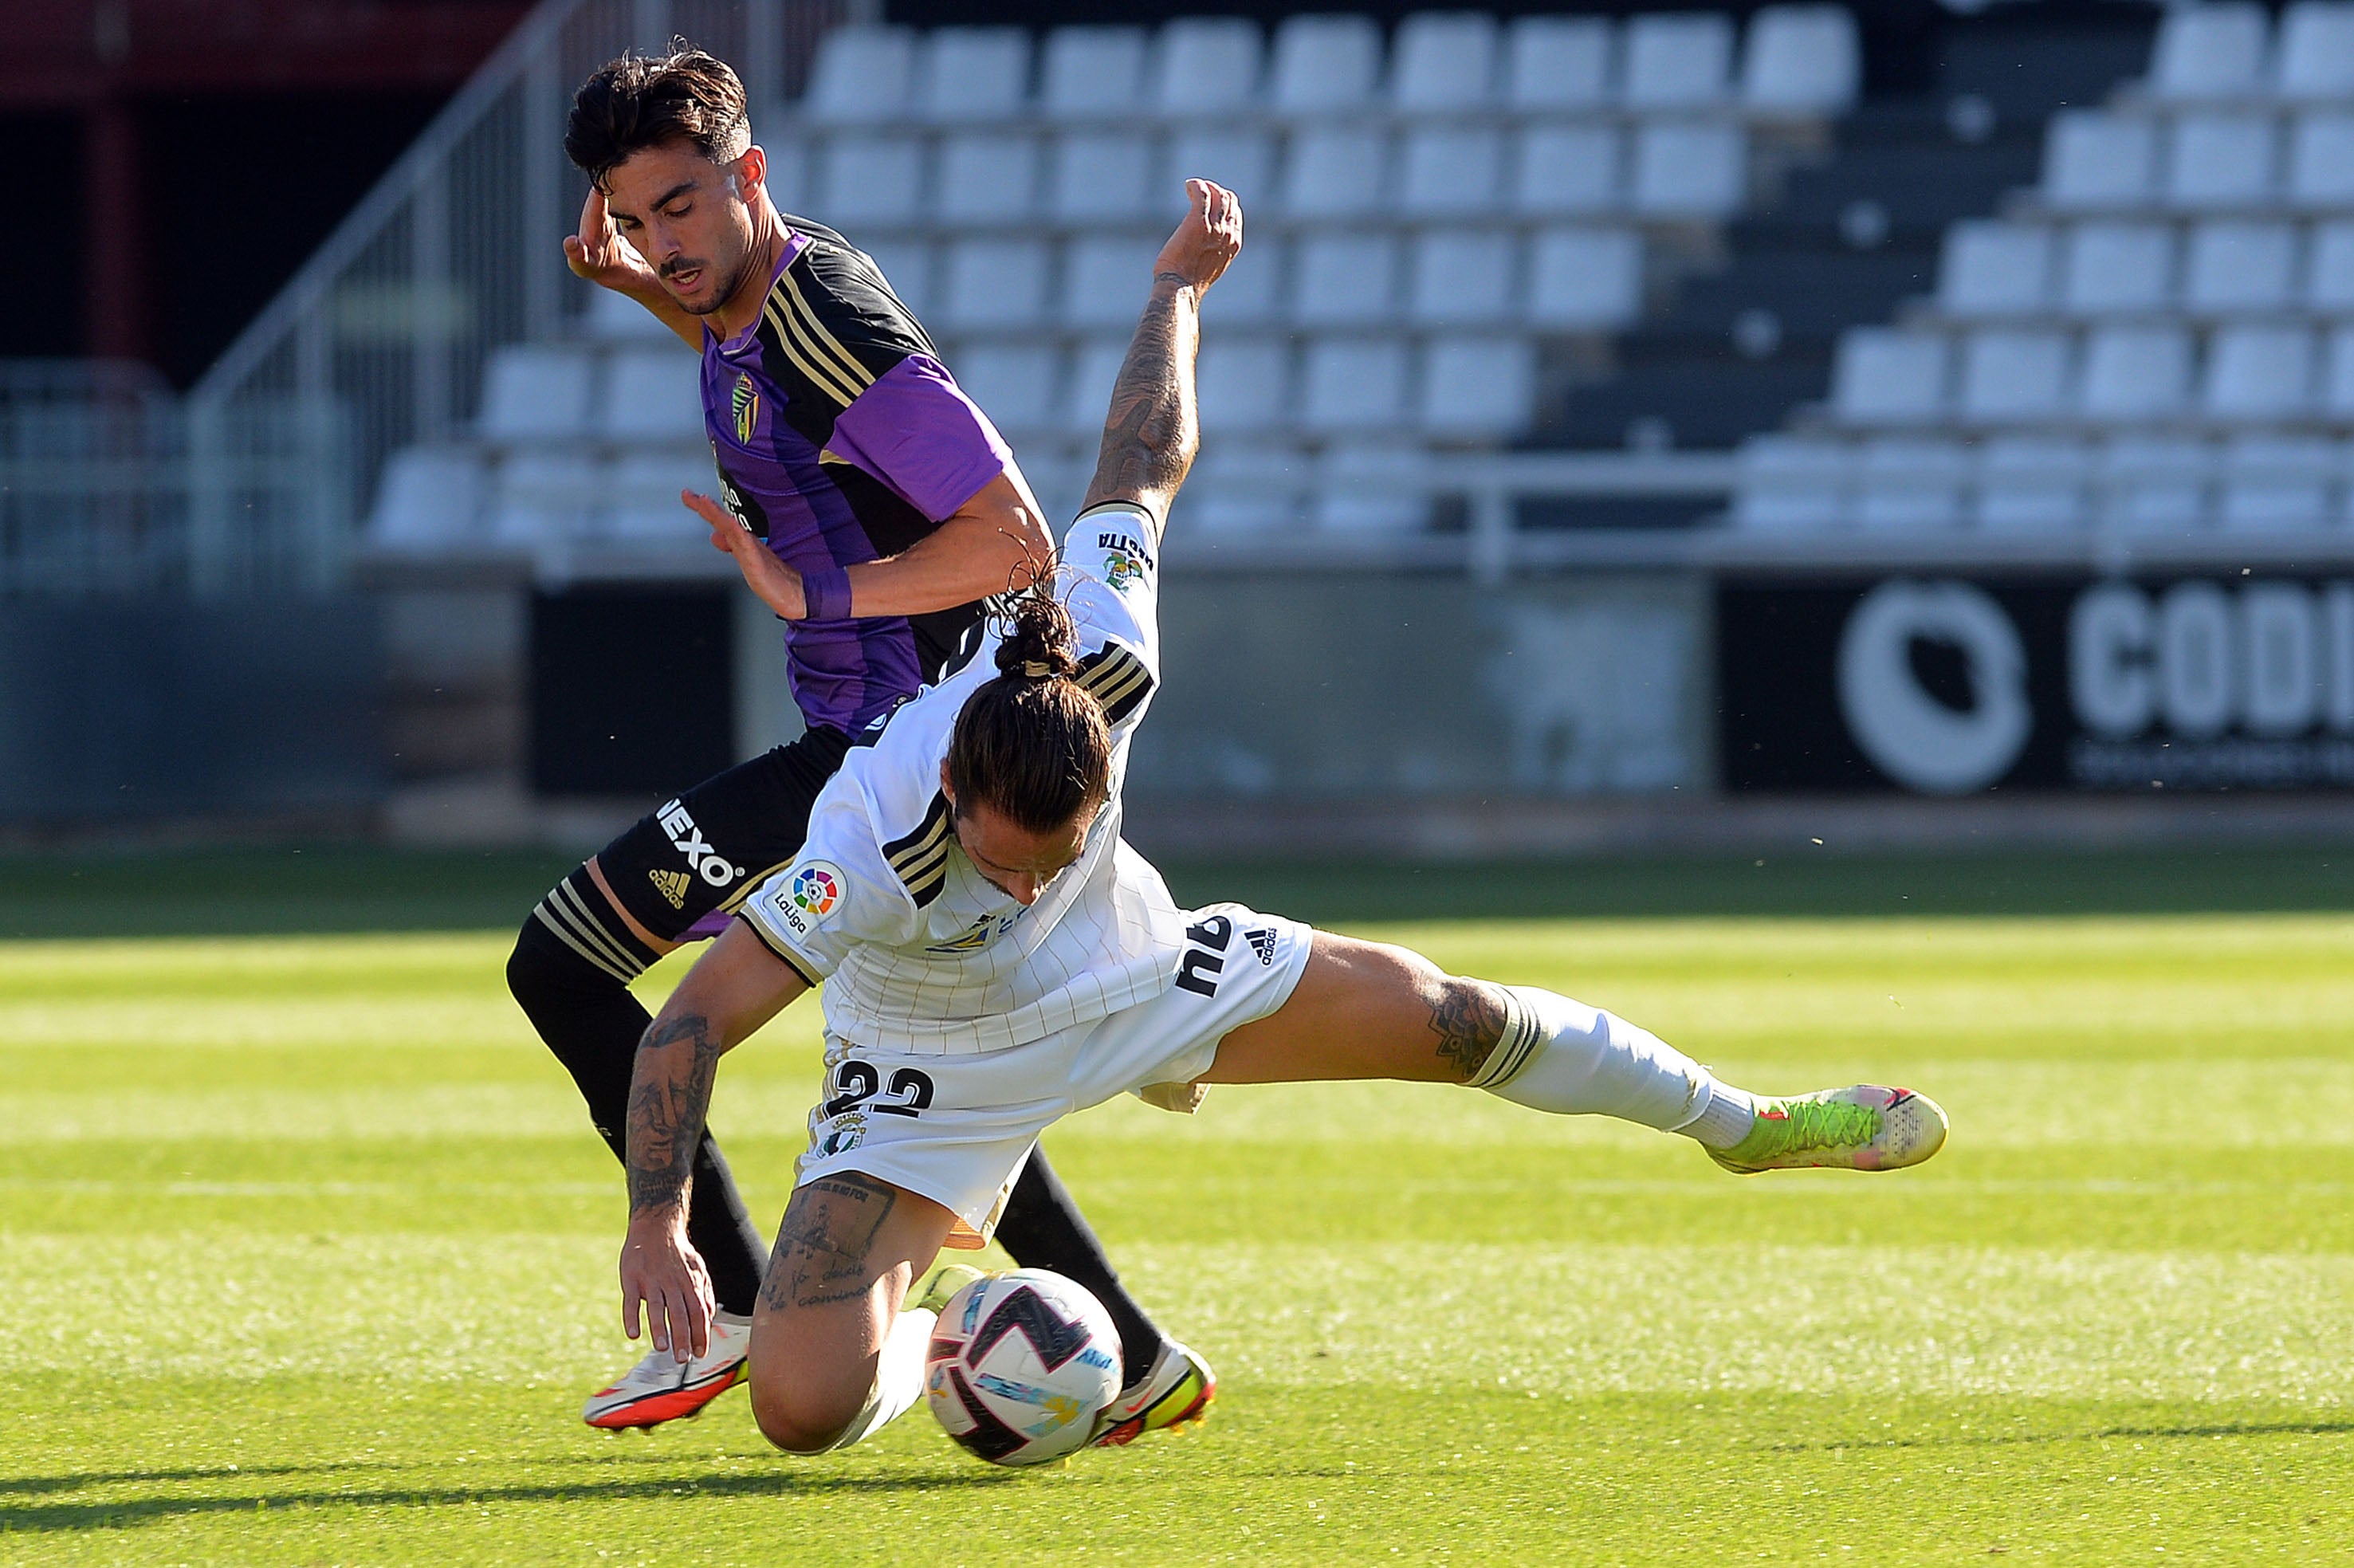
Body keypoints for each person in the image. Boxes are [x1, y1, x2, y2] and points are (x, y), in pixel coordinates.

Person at [611, 177, 1951, 1458]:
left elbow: (1142, 455)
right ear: (952, 796)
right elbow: (690, 1021)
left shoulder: (1103, 655)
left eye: (1052, 856)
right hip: (926, 1053)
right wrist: (658, 1221)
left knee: (1453, 1019)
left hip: (1124, 970)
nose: (1018, 884)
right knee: (798, 1409)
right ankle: (946, 1344)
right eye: (1000, 864)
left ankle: (1747, 1126)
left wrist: (1176, 292)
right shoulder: (868, 835)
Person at [506, 44, 1206, 1441]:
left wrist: (806, 592)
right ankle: (1125, 1351)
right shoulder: (744, 291)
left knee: (565, 960)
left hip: (897, 744)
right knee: (913, 1057)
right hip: (873, 729)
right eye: (637, 218)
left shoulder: (830, 318)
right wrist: (655, 295)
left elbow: (1010, 536)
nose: (665, 240)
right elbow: (766, 380)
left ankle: (737, 1310)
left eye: (684, 209)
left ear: (750, 175)